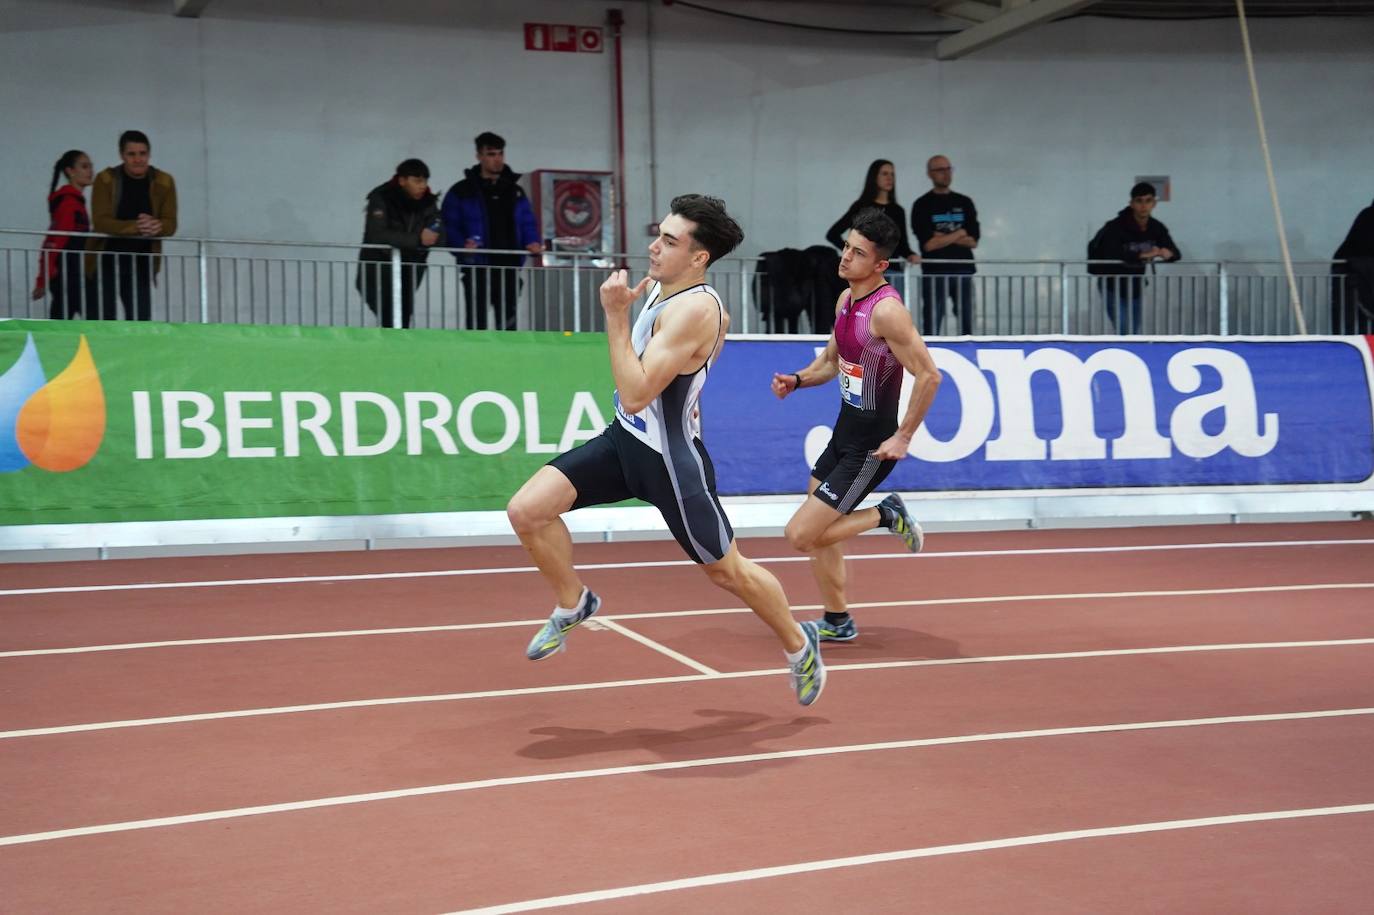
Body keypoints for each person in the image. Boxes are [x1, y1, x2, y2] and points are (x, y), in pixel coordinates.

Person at [507, 194, 827, 706]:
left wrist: (614, 317)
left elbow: (638, 392)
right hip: (624, 442)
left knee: (728, 571)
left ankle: (798, 643)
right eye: (659, 234)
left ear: (699, 258)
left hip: (671, 464)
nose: (653, 247)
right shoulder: (659, 285)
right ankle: (575, 602)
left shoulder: (698, 311)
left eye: (669, 241)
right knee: (526, 510)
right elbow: (632, 400)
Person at [771, 209, 942, 644]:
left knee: (800, 535)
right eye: (846, 247)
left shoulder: (887, 313)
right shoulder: (846, 300)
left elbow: (929, 375)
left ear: (880, 265)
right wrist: (798, 380)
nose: (845, 257)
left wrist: (903, 435)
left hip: (870, 447)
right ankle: (837, 619)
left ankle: (887, 513)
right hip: (842, 433)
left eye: (857, 252)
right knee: (824, 537)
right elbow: (831, 362)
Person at [441, 132, 543, 330]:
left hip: (509, 266)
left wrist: (532, 242)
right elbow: (449, 224)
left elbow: (527, 222)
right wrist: (462, 246)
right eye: (491, 154)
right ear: (479, 156)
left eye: (500, 154)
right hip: (476, 267)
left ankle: (509, 359)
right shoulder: (462, 191)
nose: (497, 159)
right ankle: (476, 359)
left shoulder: (515, 191)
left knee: (509, 324)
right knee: (476, 322)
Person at [89, 130, 177, 321]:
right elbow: (100, 221)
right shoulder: (105, 179)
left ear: (149, 154)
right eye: (131, 154)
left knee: (140, 319)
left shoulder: (164, 181)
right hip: (106, 258)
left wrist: (157, 226)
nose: (138, 159)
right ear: (122, 155)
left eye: (142, 153)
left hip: (142, 261)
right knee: (104, 318)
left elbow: (171, 223)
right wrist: (137, 227)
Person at [356, 158, 443, 329]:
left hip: (411, 266)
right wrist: (418, 240)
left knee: (400, 315)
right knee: (390, 313)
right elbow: (378, 234)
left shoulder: (428, 202)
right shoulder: (381, 197)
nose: (423, 186)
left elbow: (440, 231)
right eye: (417, 181)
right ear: (402, 180)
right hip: (379, 265)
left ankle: (395, 347)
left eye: (425, 181)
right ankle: (393, 347)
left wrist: (433, 237)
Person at [1088, 181, 1180, 335]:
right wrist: (1144, 255)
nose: (1143, 206)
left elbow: (1175, 252)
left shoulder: (1156, 227)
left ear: (1154, 204)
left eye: (1148, 201)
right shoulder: (1115, 227)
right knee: (1125, 330)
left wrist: (1168, 253)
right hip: (1112, 284)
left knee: (1133, 331)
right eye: (1139, 201)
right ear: (1131, 203)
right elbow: (1112, 254)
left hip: (1135, 285)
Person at [910, 154, 979, 336]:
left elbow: (973, 240)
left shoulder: (965, 202)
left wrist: (942, 236)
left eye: (949, 169)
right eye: (940, 170)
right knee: (932, 319)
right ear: (930, 174)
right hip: (935, 270)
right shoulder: (922, 205)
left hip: (963, 269)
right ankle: (930, 356)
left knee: (967, 320)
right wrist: (959, 233)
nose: (946, 174)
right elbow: (928, 245)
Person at [825, 159, 921, 283]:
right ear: (874, 177)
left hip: (893, 272)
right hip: (866, 272)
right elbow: (833, 234)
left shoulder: (898, 210)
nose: (889, 178)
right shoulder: (861, 206)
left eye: (892, 174)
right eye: (884, 174)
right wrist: (854, 252)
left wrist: (910, 255)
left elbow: (902, 244)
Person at [31, 150, 96, 319]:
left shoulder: (73, 201)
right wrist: (42, 280)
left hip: (71, 275)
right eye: (84, 166)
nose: (90, 171)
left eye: (90, 166)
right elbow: (55, 242)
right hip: (68, 276)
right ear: (70, 171)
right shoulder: (69, 203)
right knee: (86, 319)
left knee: (64, 320)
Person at [1331, 198, 1374, 334]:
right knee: (1352, 324)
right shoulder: (1369, 216)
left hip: (1356, 275)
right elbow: (1364, 244)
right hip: (1352, 280)